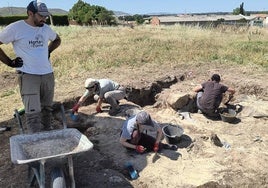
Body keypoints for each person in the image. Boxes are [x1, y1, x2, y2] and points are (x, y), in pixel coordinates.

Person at [0, 1, 61, 133]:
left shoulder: (45, 28)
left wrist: (48, 51)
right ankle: (37, 144)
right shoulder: (15, 28)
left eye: (45, 16)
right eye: (41, 16)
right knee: (33, 114)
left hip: (47, 75)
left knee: (46, 110)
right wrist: (9, 62)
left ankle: (49, 137)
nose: (44, 19)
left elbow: (57, 39)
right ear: (30, 13)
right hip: (28, 76)